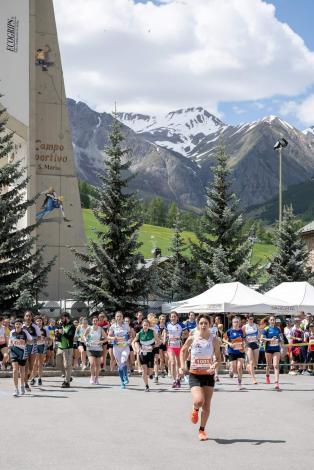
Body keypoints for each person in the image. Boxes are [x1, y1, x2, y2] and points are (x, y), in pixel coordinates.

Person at [179, 314, 221, 441]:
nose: (203, 325)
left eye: (206, 323)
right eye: (201, 323)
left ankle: (202, 430)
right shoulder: (192, 338)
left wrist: (214, 365)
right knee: (198, 401)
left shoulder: (214, 340)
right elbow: (183, 351)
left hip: (208, 375)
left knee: (207, 405)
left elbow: (219, 358)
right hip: (195, 374)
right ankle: (195, 409)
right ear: (198, 324)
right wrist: (182, 366)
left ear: (210, 325)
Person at [108, 311, 133, 389]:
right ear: (115, 317)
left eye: (120, 316)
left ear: (122, 317)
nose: (119, 318)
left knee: (123, 361)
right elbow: (108, 336)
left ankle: (125, 376)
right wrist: (113, 338)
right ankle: (122, 382)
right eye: (117, 316)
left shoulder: (126, 325)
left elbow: (131, 335)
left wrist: (130, 340)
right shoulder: (112, 326)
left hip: (125, 347)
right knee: (120, 365)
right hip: (116, 347)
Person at [133, 318, 159, 391]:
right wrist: (136, 350)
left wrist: (153, 346)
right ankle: (146, 386)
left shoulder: (152, 332)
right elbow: (133, 342)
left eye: (147, 325)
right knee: (144, 370)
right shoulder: (139, 333)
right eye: (144, 325)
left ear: (149, 325)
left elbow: (159, 342)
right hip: (142, 354)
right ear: (142, 325)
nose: (145, 326)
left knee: (150, 371)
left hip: (150, 353)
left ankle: (151, 374)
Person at [9, 318, 32, 396]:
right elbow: (10, 341)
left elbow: (30, 340)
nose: (18, 325)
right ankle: (16, 389)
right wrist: (9, 346)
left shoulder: (25, 332)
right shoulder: (12, 332)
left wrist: (25, 342)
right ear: (14, 325)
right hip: (14, 351)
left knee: (22, 370)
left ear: (22, 325)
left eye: (19, 324)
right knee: (15, 370)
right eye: (16, 324)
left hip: (22, 352)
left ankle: (22, 385)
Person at [163, 311, 186, 389]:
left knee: (179, 364)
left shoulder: (181, 325)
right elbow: (165, 332)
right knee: (172, 363)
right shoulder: (167, 324)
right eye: (172, 317)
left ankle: (178, 379)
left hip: (179, 346)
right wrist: (165, 338)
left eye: (174, 316)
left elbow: (186, 333)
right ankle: (174, 380)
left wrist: (180, 337)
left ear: (177, 317)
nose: (173, 318)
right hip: (170, 346)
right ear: (170, 318)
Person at [260, 315, 283, 390]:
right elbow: (262, 339)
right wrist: (270, 339)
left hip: (276, 349)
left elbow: (281, 339)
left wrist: (278, 340)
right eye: (271, 320)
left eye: (274, 320)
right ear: (269, 321)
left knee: (276, 365)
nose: (273, 321)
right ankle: (267, 376)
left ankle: (276, 382)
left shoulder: (278, 329)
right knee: (269, 365)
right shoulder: (266, 329)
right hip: (268, 349)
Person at [224, 316, 246, 390]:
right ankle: (230, 368)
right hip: (232, 351)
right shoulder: (229, 331)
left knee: (239, 367)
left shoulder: (241, 331)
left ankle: (239, 383)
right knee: (234, 369)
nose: (236, 323)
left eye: (237, 322)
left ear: (239, 323)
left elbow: (244, 339)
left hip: (240, 351)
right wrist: (229, 344)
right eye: (234, 322)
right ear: (232, 323)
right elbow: (223, 339)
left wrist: (244, 344)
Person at [83, 316, 107, 385]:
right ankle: (92, 376)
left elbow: (106, 338)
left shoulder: (100, 329)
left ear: (98, 321)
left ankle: (96, 378)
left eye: (96, 321)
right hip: (90, 348)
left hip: (98, 349)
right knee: (92, 363)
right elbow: (84, 336)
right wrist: (86, 341)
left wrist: (101, 342)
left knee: (97, 365)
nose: (95, 322)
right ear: (92, 322)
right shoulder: (89, 328)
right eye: (94, 321)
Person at [55, 313, 76, 388]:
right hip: (60, 347)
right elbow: (59, 338)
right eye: (60, 319)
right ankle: (68, 376)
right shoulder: (62, 325)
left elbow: (70, 337)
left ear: (67, 318)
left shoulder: (72, 326)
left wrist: (63, 332)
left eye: (62, 319)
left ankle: (67, 382)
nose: (61, 320)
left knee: (67, 365)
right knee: (58, 364)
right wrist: (57, 334)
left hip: (67, 348)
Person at [23, 311, 41, 391]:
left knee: (31, 367)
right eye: (27, 316)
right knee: (26, 366)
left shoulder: (35, 326)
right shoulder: (22, 326)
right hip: (23, 348)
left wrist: (32, 340)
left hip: (33, 347)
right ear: (24, 317)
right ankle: (26, 384)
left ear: (32, 317)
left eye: (30, 316)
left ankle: (26, 379)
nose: (28, 317)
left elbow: (39, 337)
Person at [29, 316, 48, 386]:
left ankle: (40, 378)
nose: (39, 322)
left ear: (42, 322)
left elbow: (48, 339)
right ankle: (33, 378)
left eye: (40, 321)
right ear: (35, 322)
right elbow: (30, 338)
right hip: (35, 346)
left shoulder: (45, 329)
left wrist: (45, 339)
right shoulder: (33, 329)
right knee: (35, 363)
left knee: (40, 363)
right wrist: (37, 338)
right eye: (37, 321)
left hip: (42, 346)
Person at [243, 314, 259, 384]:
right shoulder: (244, 327)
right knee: (252, 362)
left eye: (252, 319)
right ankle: (254, 379)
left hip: (255, 344)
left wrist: (259, 338)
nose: (251, 320)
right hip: (248, 345)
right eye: (250, 319)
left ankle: (248, 366)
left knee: (255, 363)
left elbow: (259, 334)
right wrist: (244, 343)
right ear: (247, 319)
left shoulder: (256, 325)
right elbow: (243, 336)